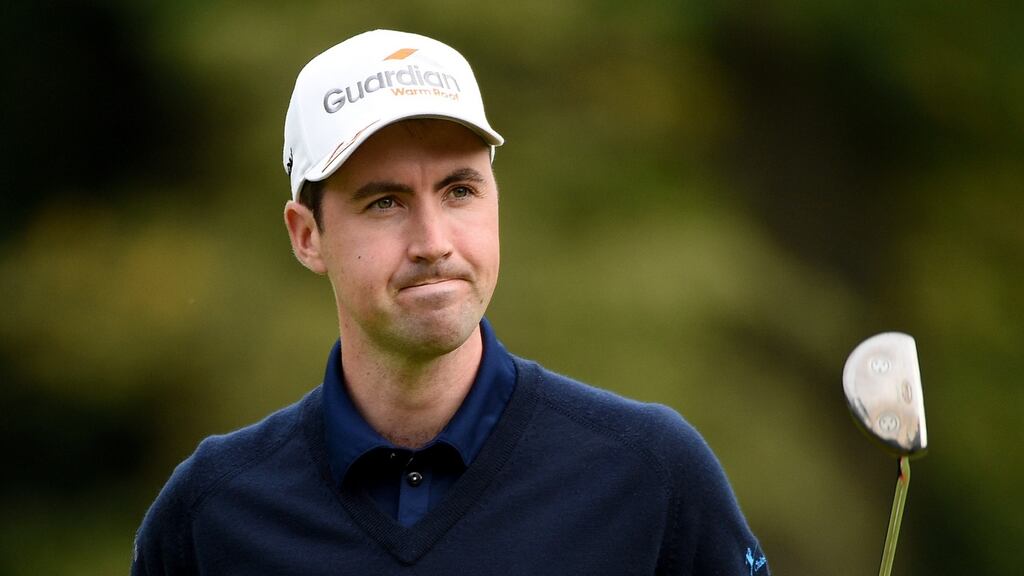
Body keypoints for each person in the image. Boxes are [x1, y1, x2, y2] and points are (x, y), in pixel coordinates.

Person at [132, 29, 770, 575]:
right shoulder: (214, 512)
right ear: (307, 236)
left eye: (460, 190)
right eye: (384, 202)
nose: (433, 243)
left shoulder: (650, 474)